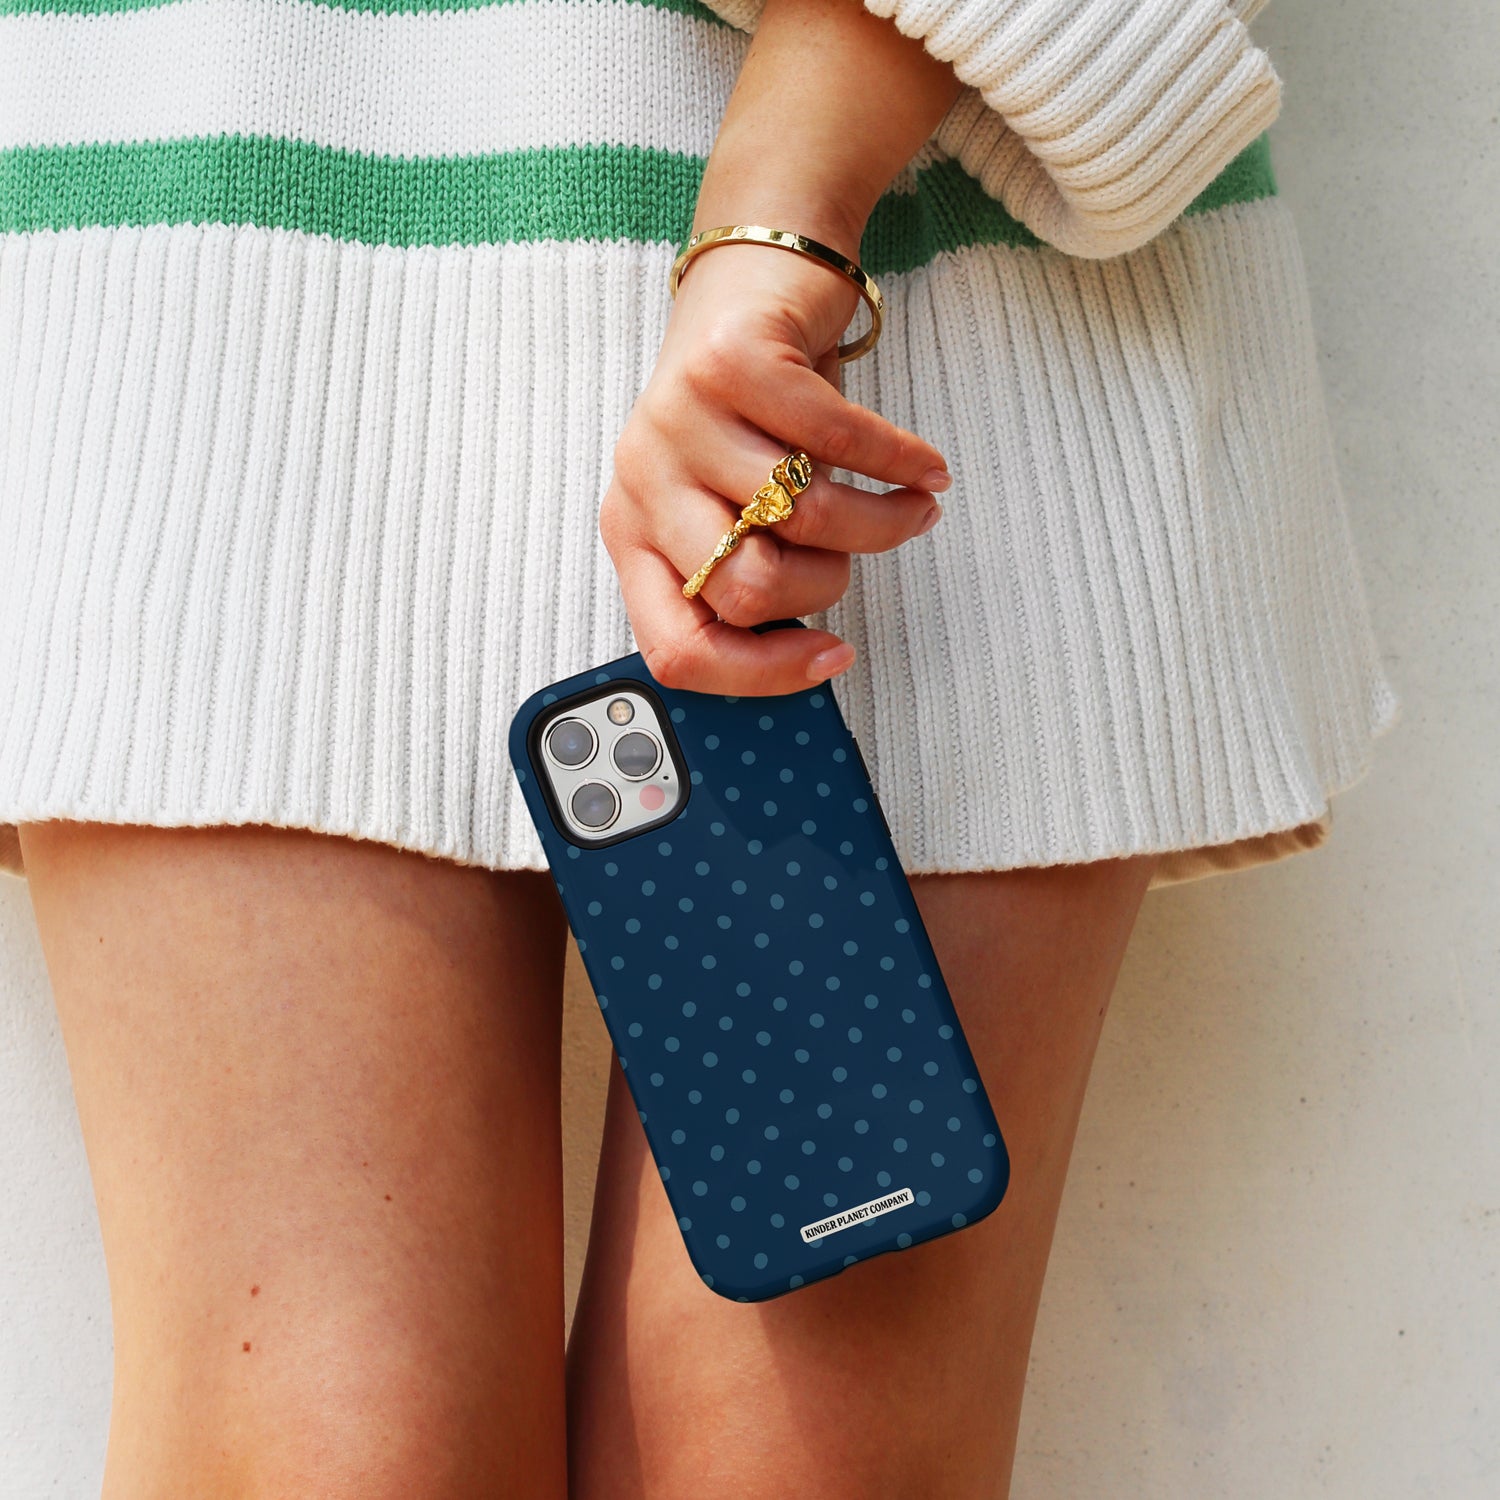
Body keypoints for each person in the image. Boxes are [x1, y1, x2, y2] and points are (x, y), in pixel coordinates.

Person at [0, 0, 1396, 1494]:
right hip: (244, 237)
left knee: (791, 1454)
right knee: (328, 1446)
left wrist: (788, 209)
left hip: (933, 273)